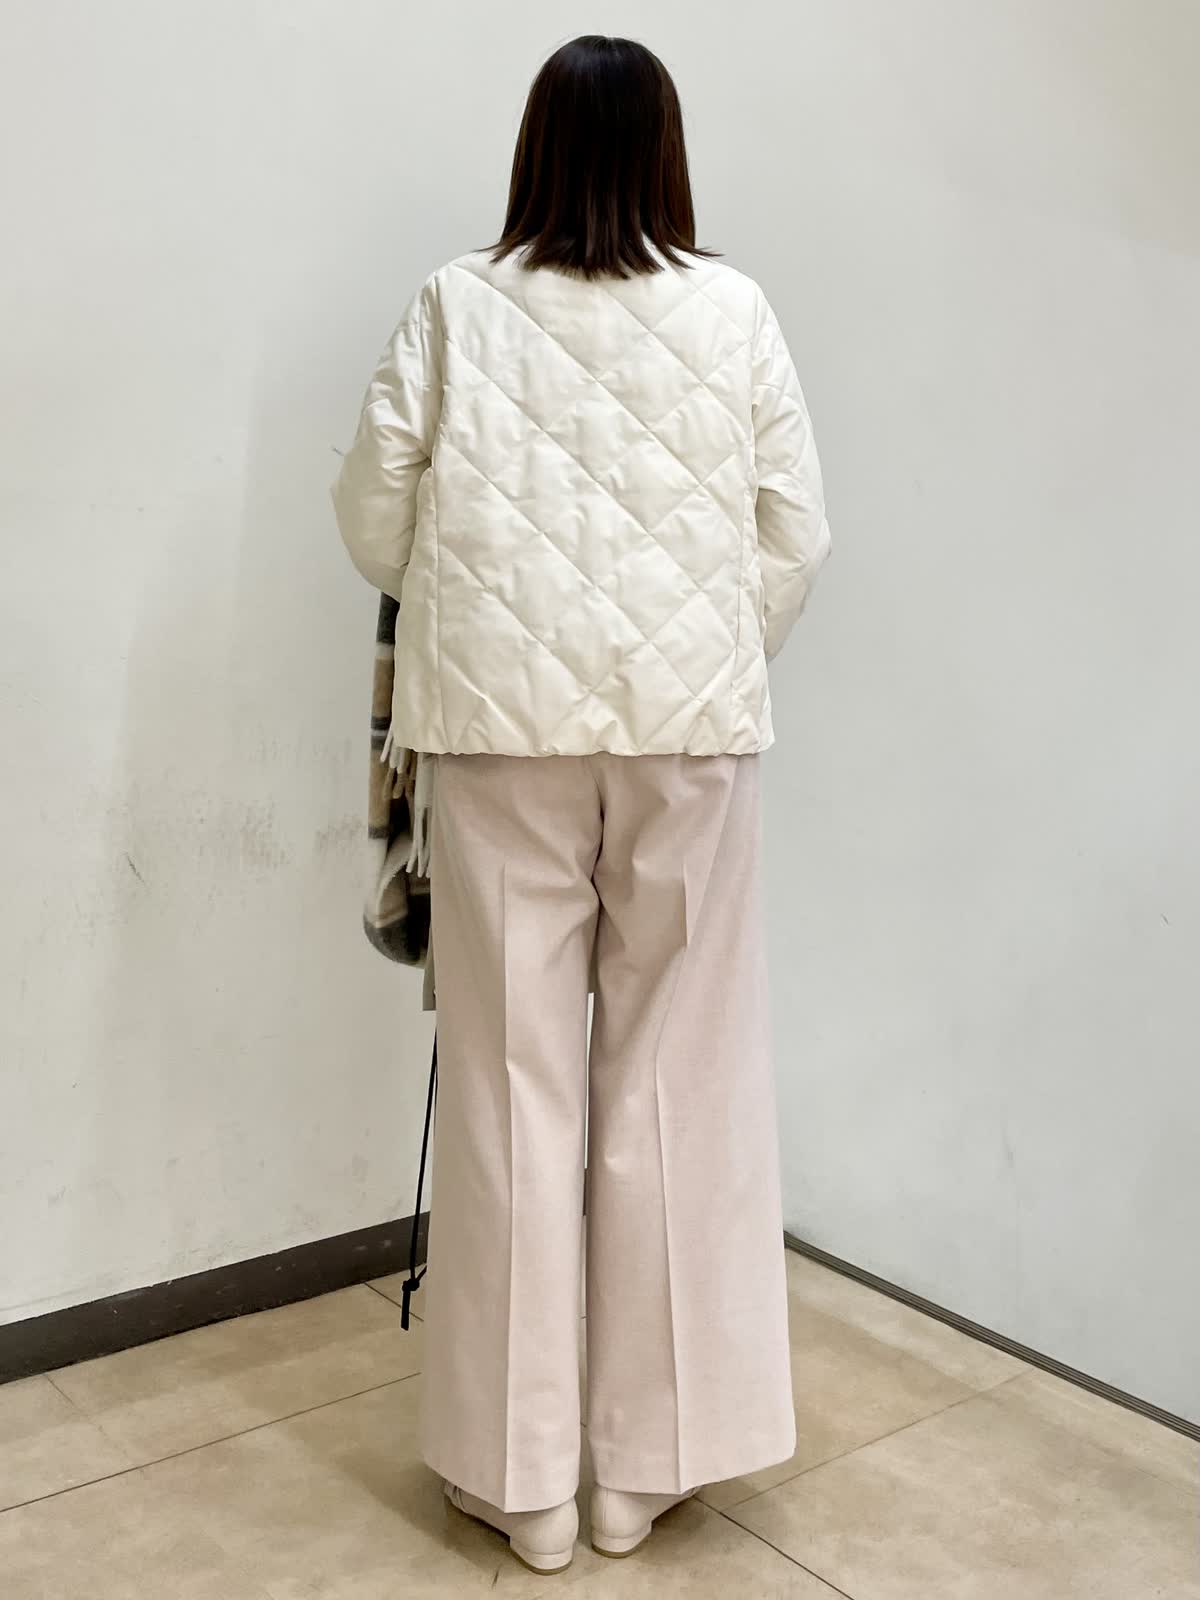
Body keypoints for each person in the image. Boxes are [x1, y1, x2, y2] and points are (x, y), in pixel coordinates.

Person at [331, 32, 831, 1576]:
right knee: (680, 1076)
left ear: (535, 150)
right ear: (667, 154)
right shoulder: (734, 308)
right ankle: (646, 1475)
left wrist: (483, 613)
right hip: (690, 738)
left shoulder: (454, 303)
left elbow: (372, 517)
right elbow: (796, 533)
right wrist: (702, 643)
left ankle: (524, 1484)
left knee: (510, 1083)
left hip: (498, 737)